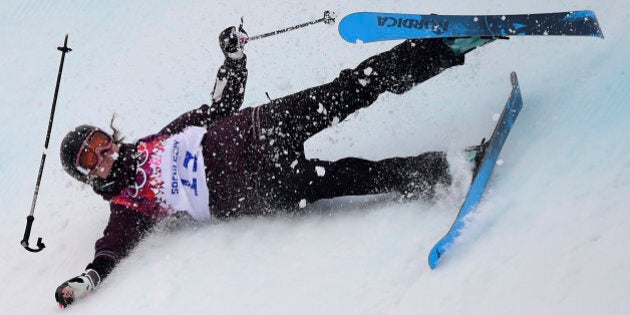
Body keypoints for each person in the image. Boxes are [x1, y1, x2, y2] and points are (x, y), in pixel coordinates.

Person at [54, 25, 495, 308]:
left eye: (99, 142)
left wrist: (233, 59)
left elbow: (221, 104)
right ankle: (451, 167)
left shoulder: (159, 138)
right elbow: (110, 248)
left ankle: (444, 48)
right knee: (355, 176)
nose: (102, 153)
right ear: (87, 175)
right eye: (89, 158)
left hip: (264, 128)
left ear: (110, 135)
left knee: (350, 89)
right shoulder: (128, 206)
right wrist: (88, 279)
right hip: (262, 186)